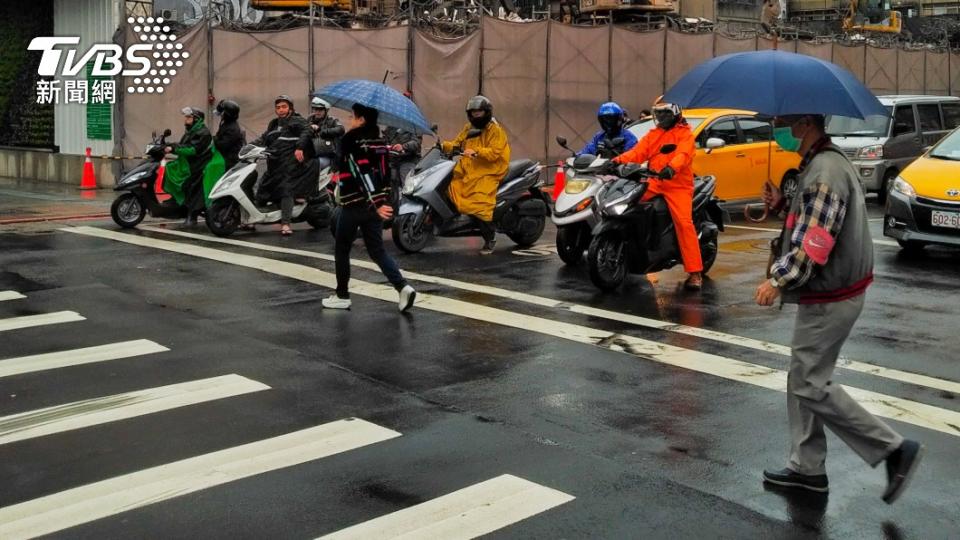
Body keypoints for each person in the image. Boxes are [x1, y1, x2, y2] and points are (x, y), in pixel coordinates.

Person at [757, 114, 923, 503]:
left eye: (785, 122)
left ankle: (893, 449)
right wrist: (784, 205)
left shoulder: (823, 173)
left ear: (805, 124)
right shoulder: (821, 163)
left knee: (808, 384)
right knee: (803, 378)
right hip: (834, 292)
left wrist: (775, 281)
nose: (780, 128)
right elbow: (815, 223)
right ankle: (806, 468)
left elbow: (814, 246)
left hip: (831, 295)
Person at [322, 103, 417, 313]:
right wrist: (380, 201)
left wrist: (374, 202)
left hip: (355, 203)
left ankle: (342, 295)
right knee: (377, 250)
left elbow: (360, 170)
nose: (350, 120)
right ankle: (403, 287)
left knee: (342, 248)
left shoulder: (351, 140)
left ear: (362, 119)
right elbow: (384, 172)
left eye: (352, 117)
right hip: (376, 205)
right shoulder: (381, 141)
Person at [613, 102, 704, 290]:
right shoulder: (654, 134)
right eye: (658, 113)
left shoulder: (685, 134)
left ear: (675, 114)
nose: (661, 117)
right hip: (654, 181)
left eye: (665, 113)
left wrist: (671, 168)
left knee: (684, 223)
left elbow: (684, 155)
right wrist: (615, 161)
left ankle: (695, 272)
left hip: (677, 185)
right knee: (625, 201)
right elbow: (638, 153)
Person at [441, 95, 510, 255]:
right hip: (469, 168)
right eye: (473, 112)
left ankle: (490, 237)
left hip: (489, 171)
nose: (475, 115)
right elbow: (458, 143)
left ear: (486, 112)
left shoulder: (495, 130)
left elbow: (495, 153)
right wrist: (443, 145)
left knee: (480, 203)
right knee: (449, 186)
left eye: (478, 112)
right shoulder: (468, 128)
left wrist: (477, 151)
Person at [252, 95, 317, 236]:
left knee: (286, 189)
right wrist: (250, 146)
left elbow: (307, 131)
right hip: (274, 163)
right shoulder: (274, 123)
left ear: (290, 108)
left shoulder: (297, 120)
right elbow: (264, 137)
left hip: (290, 163)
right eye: (278, 107)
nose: (280, 110)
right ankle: (252, 219)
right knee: (262, 189)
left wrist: (299, 147)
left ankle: (286, 223)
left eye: (284, 107)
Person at [165, 106, 213, 226]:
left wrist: (173, 148)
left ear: (196, 119)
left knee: (190, 186)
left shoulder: (203, 132)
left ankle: (192, 214)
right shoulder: (191, 131)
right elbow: (183, 145)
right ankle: (176, 201)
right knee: (169, 168)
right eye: (186, 117)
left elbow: (192, 149)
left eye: (188, 117)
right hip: (188, 162)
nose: (185, 119)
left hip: (198, 165)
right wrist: (168, 145)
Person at [383, 92, 422, 208]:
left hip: (408, 159)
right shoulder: (392, 124)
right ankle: (390, 210)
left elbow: (416, 143)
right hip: (393, 160)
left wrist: (403, 146)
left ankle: (409, 207)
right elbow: (385, 138)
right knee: (387, 181)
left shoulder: (414, 124)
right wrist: (383, 144)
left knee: (407, 183)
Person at [296, 96, 344, 172]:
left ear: (326, 110)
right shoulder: (309, 120)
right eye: (315, 109)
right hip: (311, 155)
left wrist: (320, 130)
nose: (317, 111)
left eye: (320, 109)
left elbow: (341, 129)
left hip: (327, 155)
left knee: (314, 164)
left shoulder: (331, 120)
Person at [214, 99, 244, 171]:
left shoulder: (232, 129)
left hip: (229, 160)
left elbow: (222, 145)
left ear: (227, 114)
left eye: (222, 113)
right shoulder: (226, 124)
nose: (220, 115)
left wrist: (213, 139)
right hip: (224, 156)